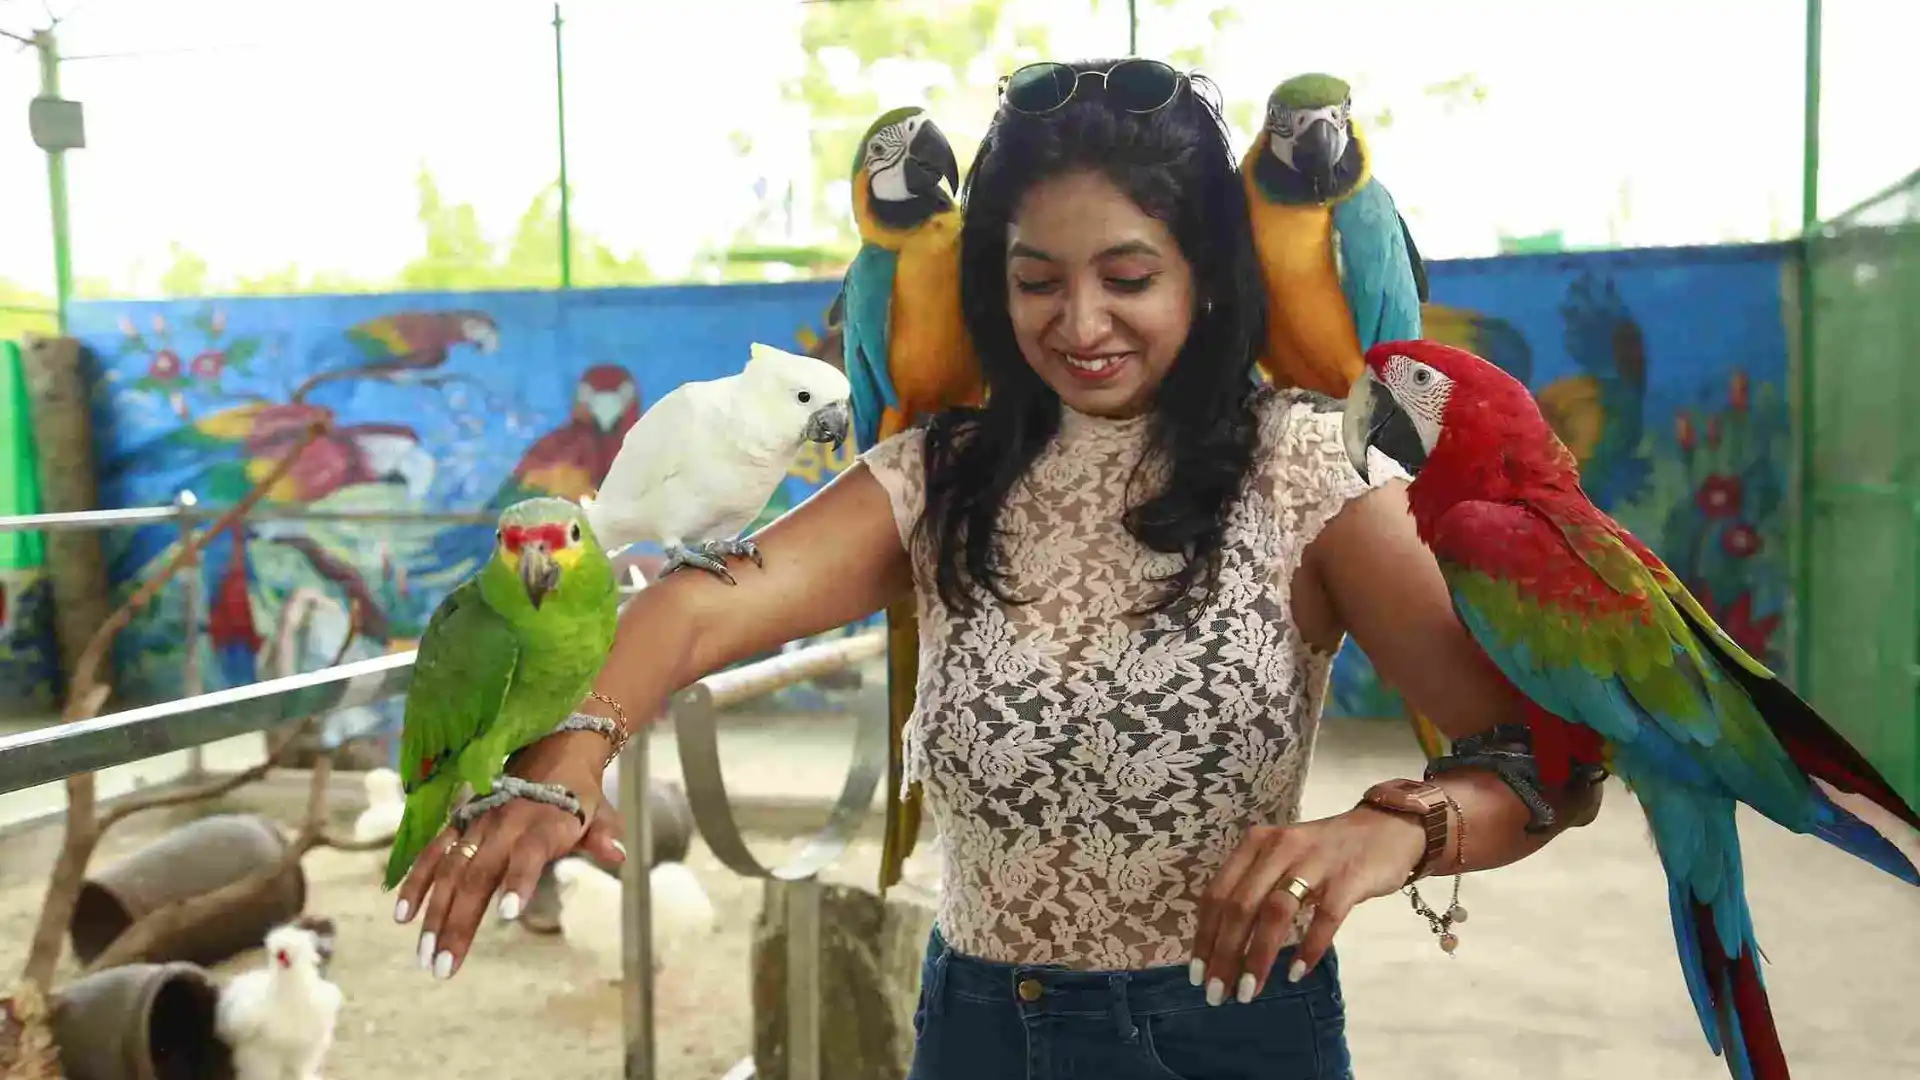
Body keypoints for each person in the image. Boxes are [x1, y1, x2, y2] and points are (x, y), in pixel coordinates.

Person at [393, 57, 1603, 1079]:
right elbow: (699, 609)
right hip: (977, 1030)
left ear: (1207, 276)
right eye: (1037, 282)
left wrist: (1396, 830)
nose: (1080, 325)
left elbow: (1545, 766)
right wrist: (573, 753)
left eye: (1128, 279)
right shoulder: (941, 472)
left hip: (1230, 1032)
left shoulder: (1307, 475)